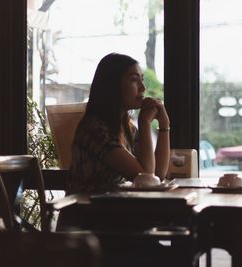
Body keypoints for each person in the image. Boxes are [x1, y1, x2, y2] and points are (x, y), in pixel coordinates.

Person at [66, 53, 170, 194]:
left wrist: (164, 126)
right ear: (112, 85)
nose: (143, 88)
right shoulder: (95, 129)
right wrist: (144, 122)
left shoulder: (127, 127)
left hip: (114, 210)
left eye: (142, 80)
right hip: (88, 213)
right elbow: (146, 181)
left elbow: (157, 176)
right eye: (134, 80)